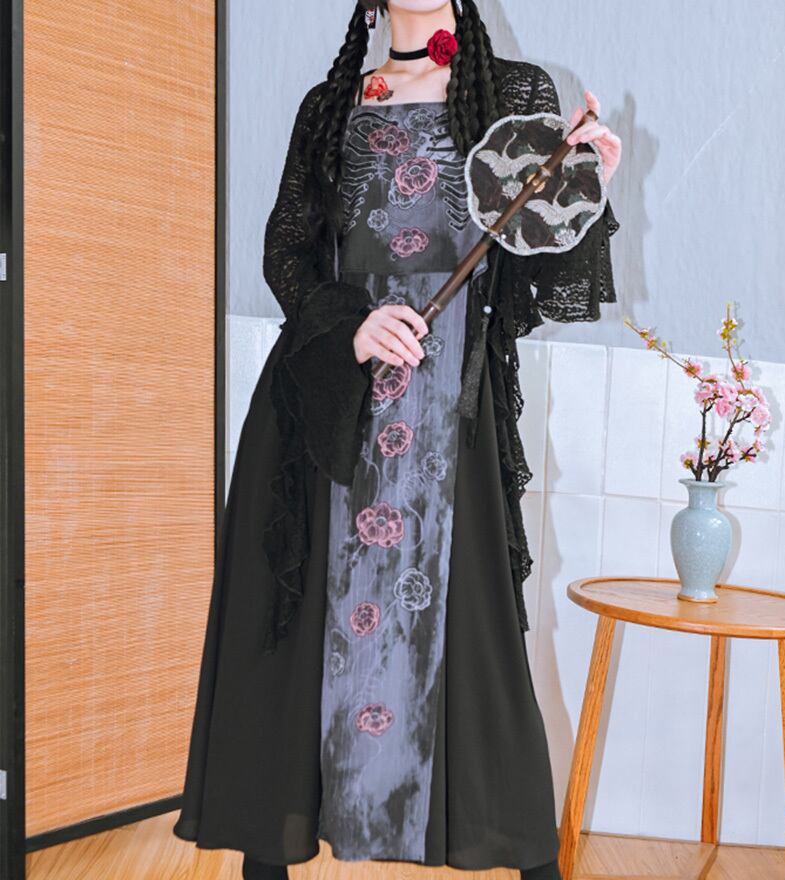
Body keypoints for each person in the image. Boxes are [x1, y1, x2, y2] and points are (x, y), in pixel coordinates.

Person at [171, 2, 622, 879]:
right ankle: (271, 853)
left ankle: (528, 859)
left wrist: (585, 189)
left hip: (451, 411)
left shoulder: (512, 95)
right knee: (293, 638)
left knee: (481, 645)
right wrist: (350, 325)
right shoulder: (332, 102)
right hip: (330, 402)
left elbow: (538, 277)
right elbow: (287, 253)